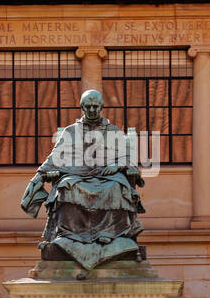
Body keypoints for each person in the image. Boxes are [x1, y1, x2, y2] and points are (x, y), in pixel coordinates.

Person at [20, 88, 147, 276]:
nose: (93, 110)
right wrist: (42, 174)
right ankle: (69, 235)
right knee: (65, 187)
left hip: (108, 177)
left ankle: (112, 233)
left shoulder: (113, 131)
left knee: (117, 187)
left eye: (96, 106)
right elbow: (55, 157)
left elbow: (128, 158)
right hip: (77, 176)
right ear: (82, 107)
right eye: (88, 106)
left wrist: (117, 165)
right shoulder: (71, 131)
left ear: (102, 107)